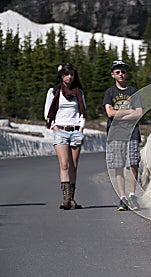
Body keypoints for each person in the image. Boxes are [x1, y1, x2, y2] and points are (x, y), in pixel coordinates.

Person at [44, 63, 86, 210]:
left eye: (71, 74)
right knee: (64, 164)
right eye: (66, 74)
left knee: (74, 166)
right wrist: (54, 126)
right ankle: (66, 199)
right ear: (61, 76)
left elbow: (82, 111)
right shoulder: (53, 91)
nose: (69, 77)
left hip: (75, 130)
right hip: (60, 130)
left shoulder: (78, 92)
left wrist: (81, 127)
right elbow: (48, 111)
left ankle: (72, 199)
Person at [103, 60, 143, 211]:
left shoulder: (133, 91)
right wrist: (129, 113)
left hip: (132, 132)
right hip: (116, 134)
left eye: (123, 72)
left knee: (133, 163)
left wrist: (119, 114)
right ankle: (122, 197)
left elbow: (139, 112)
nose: (121, 74)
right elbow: (109, 113)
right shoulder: (110, 92)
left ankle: (132, 194)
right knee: (118, 165)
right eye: (117, 72)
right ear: (113, 74)